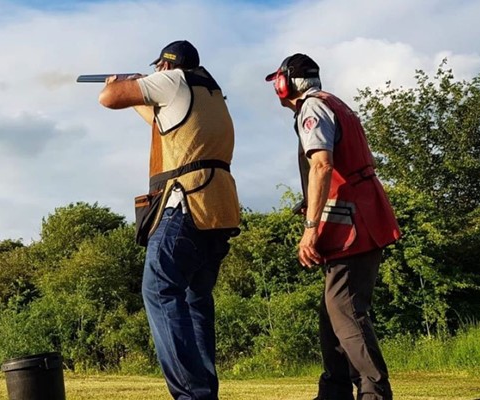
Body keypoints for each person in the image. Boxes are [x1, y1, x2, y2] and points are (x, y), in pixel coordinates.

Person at [99, 40, 240, 400]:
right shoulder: (209, 92)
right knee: (195, 300)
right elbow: (161, 119)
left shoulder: (172, 80)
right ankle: (204, 392)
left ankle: (192, 395)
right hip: (218, 209)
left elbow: (110, 98)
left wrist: (122, 83)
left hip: (187, 205)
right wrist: (138, 95)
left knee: (159, 289)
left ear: (164, 66)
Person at [264, 54, 401, 400]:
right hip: (362, 215)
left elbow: (322, 166)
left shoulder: (311, 108)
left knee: (346, 309)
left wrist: (310, 228)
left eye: (277, 82)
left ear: (286, 83)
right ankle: (335, 390)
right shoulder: (334, 103)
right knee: (333, 310)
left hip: (351, 222)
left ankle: (374, 393)